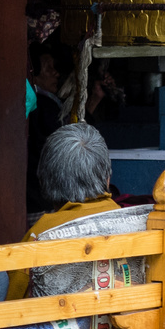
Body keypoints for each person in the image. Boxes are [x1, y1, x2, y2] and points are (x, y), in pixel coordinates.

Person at [7, 123, 123, 299]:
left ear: (46, 180)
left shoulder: (40, 234)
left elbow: (11, 303)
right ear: (107, 178)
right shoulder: (132, 221)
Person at [25, 42, 65, 218]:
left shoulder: (45, 103)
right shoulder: (43, 105)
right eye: (48, 68)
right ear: (32, 73)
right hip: (39, 197)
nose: (55, 73)